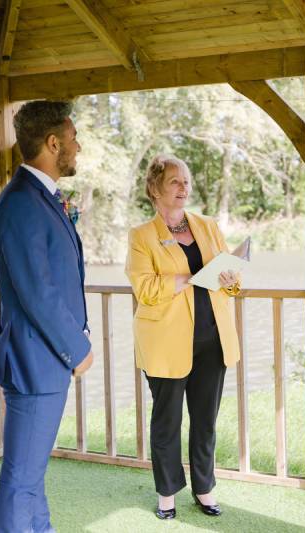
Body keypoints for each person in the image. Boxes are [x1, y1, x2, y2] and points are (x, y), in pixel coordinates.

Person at [0, 100, 93, 533]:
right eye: (72, 139)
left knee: (32, 476)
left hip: (45, 361)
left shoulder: (40, 198)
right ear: (52, 143)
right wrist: (79, 349)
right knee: (20, 479)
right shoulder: (20, 204)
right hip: (36, 361)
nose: (78, 147)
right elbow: (37, 293)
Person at [125, 154, 241, 520]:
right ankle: (167, 494)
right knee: (167, 421)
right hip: (165, 343)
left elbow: (233, 282)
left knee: (205, 420)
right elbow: (144, 288)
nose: (183, 187)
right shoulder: (141, 236)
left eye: (186, 180)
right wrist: (186, 280)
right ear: (155, 189)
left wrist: (231, 279)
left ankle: (204, 489)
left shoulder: (207, 225)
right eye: (175, 181)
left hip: (213, 339)